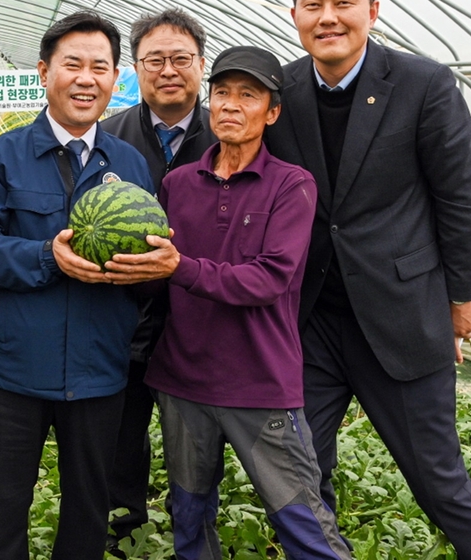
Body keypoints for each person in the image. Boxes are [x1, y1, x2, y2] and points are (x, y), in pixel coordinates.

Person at [266, 0, 471, 559]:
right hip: (313, 319)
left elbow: (458, 200)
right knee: (296, 477)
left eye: (343, 3)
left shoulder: (424, 84)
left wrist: (461, 300)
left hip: (400, 316)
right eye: (312, 4)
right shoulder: (283, 90)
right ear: (293, 13)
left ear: (372, 9)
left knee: (437, 480)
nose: (328, 17)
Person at [0, 10, 179, 560]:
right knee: (4, 510)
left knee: (88, 510)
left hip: (100, 370)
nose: (86, 78)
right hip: (14, 371)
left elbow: (144, 249)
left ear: (113, 77)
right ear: (43, 72)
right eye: (71, 65)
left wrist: (159, 264)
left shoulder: (128, 163)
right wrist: (47, 256)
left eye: (99, 67)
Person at [145, 46, 350, 559]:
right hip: (183, 380)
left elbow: (269, 280)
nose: (231, 105)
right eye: (221, 93)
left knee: (303, 523)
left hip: (259, 384)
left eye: (248, 95)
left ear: (272, 112)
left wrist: (181, 268)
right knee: (189, 515)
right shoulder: (176, 184)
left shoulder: (291, 185)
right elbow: (156, 271)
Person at [100, 8, 217, 548]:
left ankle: (192, 528)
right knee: (122, 436)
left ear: (201, 64)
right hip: (123, 320)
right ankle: (126, 531)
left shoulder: (232, 130)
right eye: (154, 60)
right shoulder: (107, 137)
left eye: (181, 59)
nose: (169, 70)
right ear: (136, 69)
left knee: (195, 442)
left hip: (202, 319)